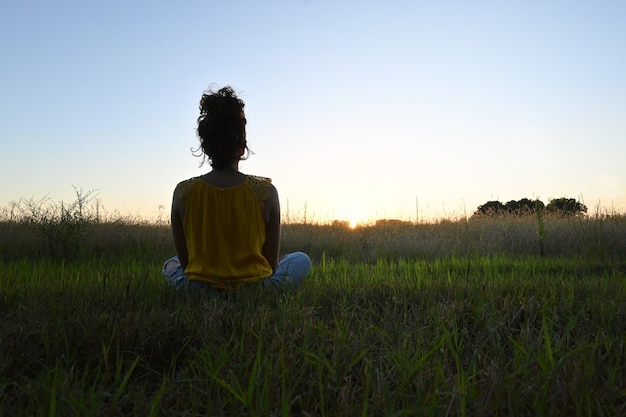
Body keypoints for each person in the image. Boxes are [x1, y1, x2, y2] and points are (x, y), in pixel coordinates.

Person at [162, 85, 311, 290]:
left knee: (171, 263)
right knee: (301, 259)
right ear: (242, 146)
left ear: (205, 148)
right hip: (254, 289)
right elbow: (272, 266)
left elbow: (187, 264)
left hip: (198, 290)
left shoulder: (183, 192)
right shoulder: (266, 193)